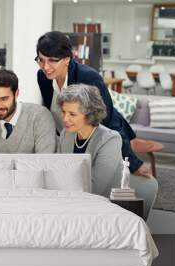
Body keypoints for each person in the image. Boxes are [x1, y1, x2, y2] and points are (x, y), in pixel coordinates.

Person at [36, 31, 151, 177]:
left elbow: (108, 120)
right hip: (69, 138)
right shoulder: (43, 77)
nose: (45, 67)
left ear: (66, 59)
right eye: (41, 60)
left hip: (97, 137)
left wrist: (133, 164)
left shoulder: (88, 77)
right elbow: (51, 111)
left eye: (52, 60)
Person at [57, 84, 158, 220]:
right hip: (72, 206)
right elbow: (57, 172)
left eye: (72, 114)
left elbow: (93, 189)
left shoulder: (110, 140)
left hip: (103, 212)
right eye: (63, 112)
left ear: (89, 115)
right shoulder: (66, 134)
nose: (64, 119)